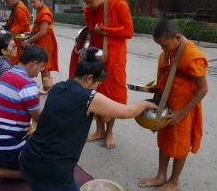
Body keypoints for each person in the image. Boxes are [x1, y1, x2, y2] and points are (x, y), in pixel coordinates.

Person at [19, 48, 158, 191]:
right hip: (52, 173)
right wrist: (147, 103)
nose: (97, 88)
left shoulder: (58, 87)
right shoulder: (89, 97)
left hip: (28, 160)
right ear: (89, 78)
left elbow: (70, 117)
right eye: (97, 84)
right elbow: (128, 112)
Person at [138, 20, 208, 191]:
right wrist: (154, 90)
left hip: (183, 109)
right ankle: (161, 176)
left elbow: (203, 89)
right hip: (165, 104)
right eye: (160, 47)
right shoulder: (168, 53)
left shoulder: (191, 55)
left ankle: (174, 181)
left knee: (180, 145)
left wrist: (181, 114)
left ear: (177, 38)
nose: (163, 50)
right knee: (164, 141)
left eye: (165, 45)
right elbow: (168, 78)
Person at [0, 45, 47, 191]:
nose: (40, 72)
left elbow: (17, 97)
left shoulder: (7, 74)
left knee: (22, 149)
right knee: (36, 170)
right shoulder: (28, 85)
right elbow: (38, 118)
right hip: (6, 145)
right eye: (41, 67)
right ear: (34, 64)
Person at [73, 0, 134, 149]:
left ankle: (109, 132)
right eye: (86, 2)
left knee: (112, 94)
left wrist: (106, 30)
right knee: (95, 91)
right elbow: (91, 31)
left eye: (91, 1)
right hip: (95, 56)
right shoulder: (89, 10)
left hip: (114, 58)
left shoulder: (118, 4)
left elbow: (129, 31)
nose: (89, 5)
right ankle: (99, 129)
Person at [21, 0, 58, 92]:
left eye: (34, 2)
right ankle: (47, 88)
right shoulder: (40, 11)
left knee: (45, 67)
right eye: (31, 2)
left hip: (46, 44)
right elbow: (37, 29)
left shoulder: (45, 12)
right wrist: (27, 35)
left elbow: (43, 32)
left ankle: (47, 89)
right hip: (42, 43)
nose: (32, 4)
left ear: (41, 1)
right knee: (43, 67)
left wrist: (28, 40)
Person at [4, 0, 31, 65]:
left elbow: (24, 25)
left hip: (23, 35)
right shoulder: (17, 7)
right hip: (18, 34)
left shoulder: (19, 9)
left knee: (17, 57)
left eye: (8, 1)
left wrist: (11, 31)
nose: (7, 3)